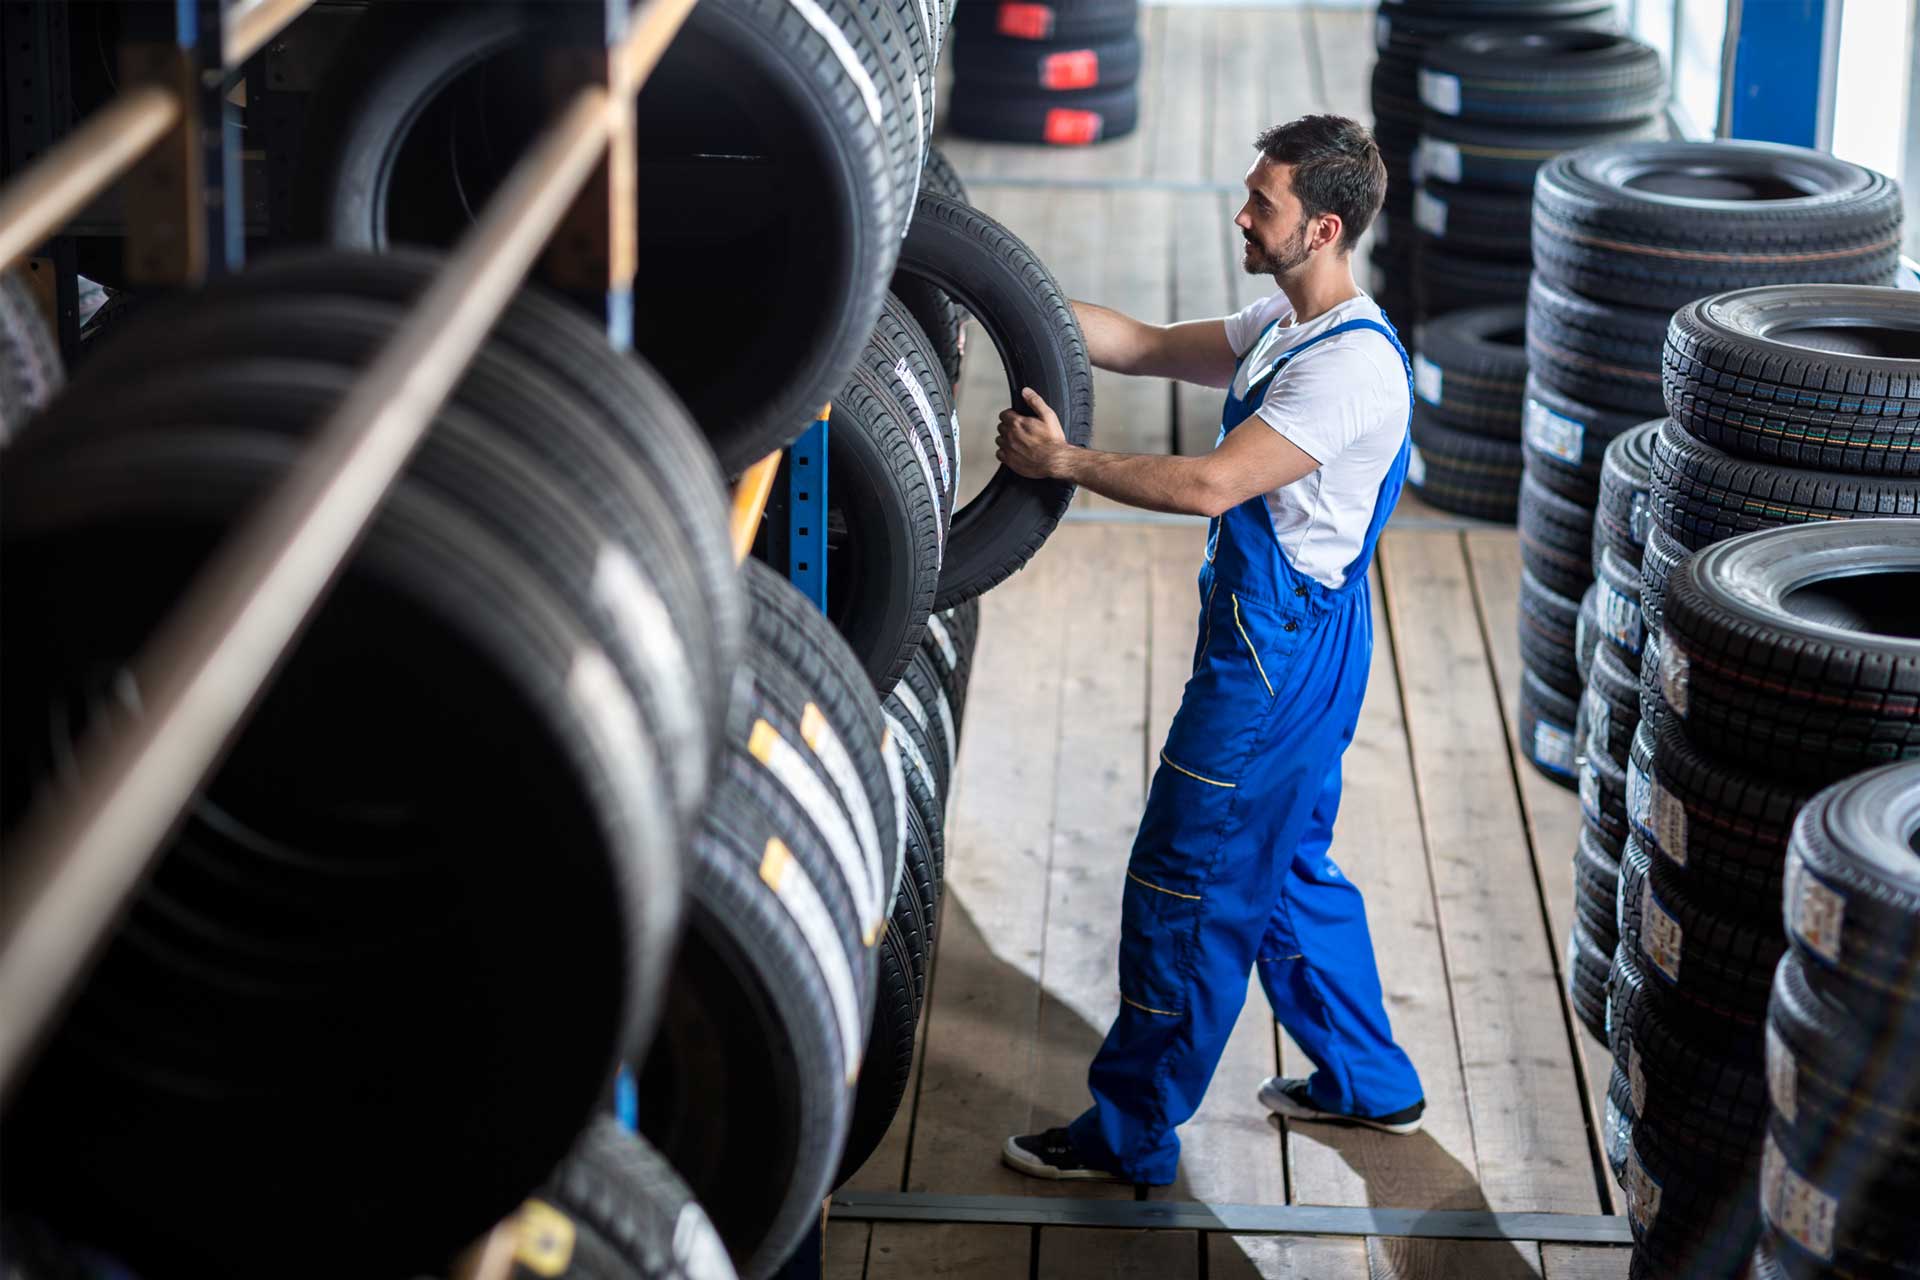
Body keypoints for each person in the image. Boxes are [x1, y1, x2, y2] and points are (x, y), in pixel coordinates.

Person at [994, 114, 1425, 1186]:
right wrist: (996, 297)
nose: (1243, 212)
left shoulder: (1349, 370)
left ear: (1322, 227)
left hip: (1275, 659)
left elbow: (1209, 484)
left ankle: (1131, 1128)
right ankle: (1373, 1082)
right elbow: (1136, 342)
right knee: (1281, 867)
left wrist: (1066, 461)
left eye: (1263, 203)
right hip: (1302, 638)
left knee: (1186, 878)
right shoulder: (1286, 321)